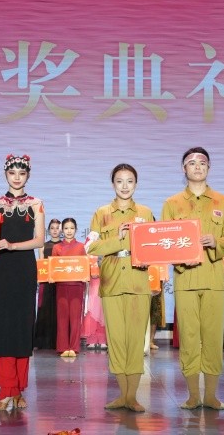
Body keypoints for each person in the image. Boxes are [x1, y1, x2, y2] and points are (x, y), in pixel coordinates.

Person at [161, 147, 224, 411]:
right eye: (192, 163)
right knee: (189, 338)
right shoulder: (172, 203)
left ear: (209, 168)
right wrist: (181, 256)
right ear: (183, 169)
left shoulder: (222, 201)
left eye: (202, 163)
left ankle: (211, 396)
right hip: (185, 279)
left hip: (214, 279)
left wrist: (216, 242)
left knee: (214, 337)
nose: (197, 167)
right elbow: (164, 240)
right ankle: (193, 395)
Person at [85, 163, 155, 412]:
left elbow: (155, 246)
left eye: (130, 181)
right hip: (112, 280)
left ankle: (132, 396)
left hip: (138, 281)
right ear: (112, 184)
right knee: (116, 340)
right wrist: (119, 238)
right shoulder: (101, 213)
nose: (125, 186)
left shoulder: (146, 213)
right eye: (119, 181)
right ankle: (122, 395)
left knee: (135, 339)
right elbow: (90, 247)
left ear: (136, 184)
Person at [0, 154, 45, 412]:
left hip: (24, 268)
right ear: (5, 175)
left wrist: (12, 245)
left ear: (28, 175)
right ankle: (6, 389)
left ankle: (18, 389)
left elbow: (39, 240)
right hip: (0, 268)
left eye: (22, 173)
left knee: (21, 326)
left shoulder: (36, 204)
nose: (17, 177)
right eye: (12, 173)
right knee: (1, 327)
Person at [53, 217, 86, 358]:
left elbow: (84, 266)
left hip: (76, 286)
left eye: (72, 228)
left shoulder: (81, 247)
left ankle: (74, 347)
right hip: (61, 286)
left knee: (75, 318)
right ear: (62, 230)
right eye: (66, 228)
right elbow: (53, 267)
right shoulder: (57, 247)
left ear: (76, 230)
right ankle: (63, 347)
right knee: (62, 318)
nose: (69, 231)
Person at [33, 218, 61, 350]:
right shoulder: (43, 245)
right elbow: (40, 263)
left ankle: (57, 341)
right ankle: (41, 341)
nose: (55, 230)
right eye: (52, 228)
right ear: (48, 230)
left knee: (58, 310)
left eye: (57, 228)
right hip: (46, 281)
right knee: (43, 309)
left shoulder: (64, 245)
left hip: (60, 282)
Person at [82, 253, 107, 350]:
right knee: (92, 309)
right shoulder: (88, 247)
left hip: (104, 281)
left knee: (103, 310)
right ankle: (92, 339)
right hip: (92, 283)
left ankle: (103, 339)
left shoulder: (107, 248)